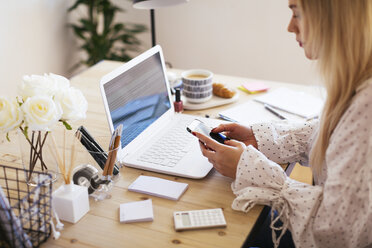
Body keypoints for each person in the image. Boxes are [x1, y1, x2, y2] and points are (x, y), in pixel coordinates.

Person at [193, 0, 372, 247]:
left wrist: (250, 169)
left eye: (297, 14)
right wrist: (260, 137)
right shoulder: (358, 80)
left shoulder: (367, 106)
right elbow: (334, 134)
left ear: (333, 19)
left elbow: (336, 232)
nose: (290, 27)